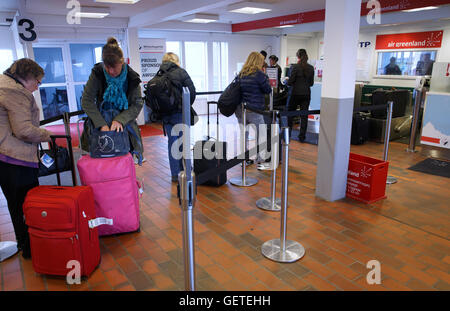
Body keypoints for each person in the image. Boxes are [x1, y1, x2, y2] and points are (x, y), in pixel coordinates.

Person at [0, 58, 52, 259]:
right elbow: (23, 130)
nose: (37, 87)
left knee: (15, 205)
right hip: (15, 159)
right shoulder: (16, 92)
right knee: (27, 206)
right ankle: (32, 248)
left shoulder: (4, 85)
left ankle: (25, 245)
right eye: (37, 82)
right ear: (27, 77)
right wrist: (45, 134)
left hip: (4, 157)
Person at [80, 37, 144, 163]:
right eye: (107, 67)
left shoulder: (132, 77)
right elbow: (86, 101)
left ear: (122, 62)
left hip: (124, 127)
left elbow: (137, 104)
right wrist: (101, 124)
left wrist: (120, 120)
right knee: (101, 163)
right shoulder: (97, 73)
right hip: (100, 125)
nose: (110, 71)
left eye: (114, 67)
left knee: (124, 163)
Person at [158, 52, 196, 182]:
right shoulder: (181, 72)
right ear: (176, 61)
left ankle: (175, 174)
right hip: (180, 114)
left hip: (166, 116)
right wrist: (185, 106)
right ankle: (186, 171)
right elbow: (192, 92)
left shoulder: (159, 74)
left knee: (172, 143)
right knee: (183, 143)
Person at [235, 51, 272, 164]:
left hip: (241, 110)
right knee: (261, 134)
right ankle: (260, 160)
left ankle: (244, 159)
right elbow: (268, 90)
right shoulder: (260, 75)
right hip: (255, 110)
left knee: (243, 135)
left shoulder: (241, 73)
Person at [286, 48, 314, 142]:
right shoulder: (310, 68)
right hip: (306, 94)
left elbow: (290, 82)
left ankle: (288, 135)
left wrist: (286, 81)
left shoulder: (294, 67)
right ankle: (302, 137)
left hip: (294, 94)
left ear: (298, 56)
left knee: (290, 115)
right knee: (304, 116)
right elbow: (311, 83)